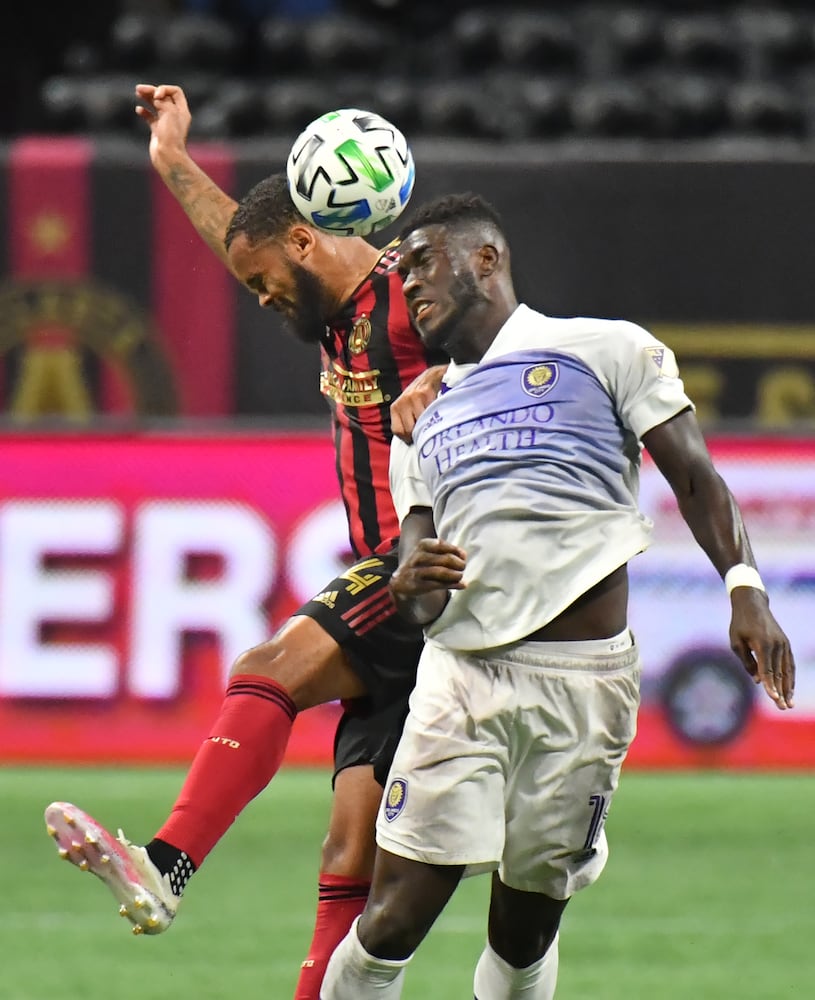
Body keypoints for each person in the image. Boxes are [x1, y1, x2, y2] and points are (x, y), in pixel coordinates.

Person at [319, 193, 796, 1000]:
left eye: (423, 262)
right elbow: (419, 579)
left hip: (584, 683)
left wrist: (742, 586)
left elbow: (693, 475)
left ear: (486, 258)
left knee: (524, 927)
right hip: (462, 677)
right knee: (394, 918)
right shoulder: (420, 420)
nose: (409, 287)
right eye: (399, 276)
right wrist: (407, 586)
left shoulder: (604, 349)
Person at [44, 84, 445, 1000]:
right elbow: (248, 236)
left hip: (429, 569)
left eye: (266, 281)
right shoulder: (323, 302)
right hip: (399, 593)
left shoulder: (411, 304)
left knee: (270, 668)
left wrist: (457, 385)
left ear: (308, 244)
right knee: (352, 852)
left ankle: (165, 863)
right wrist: (173, 161)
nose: (260, 297)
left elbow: (503, 348)